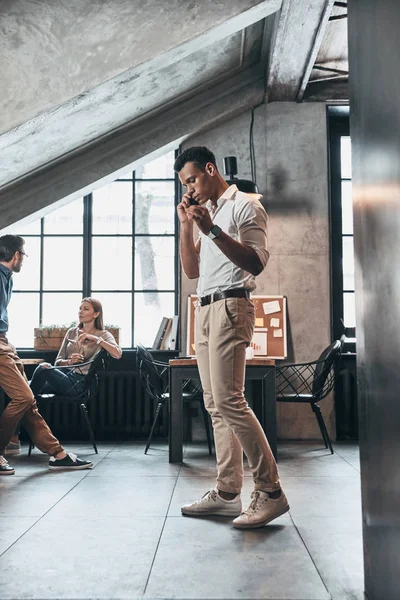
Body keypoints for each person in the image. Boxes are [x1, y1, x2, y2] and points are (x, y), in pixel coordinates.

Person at [174, 146, 289, 529]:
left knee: (230, 400)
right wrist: (188, 225)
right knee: (214, 404)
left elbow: (256, 261)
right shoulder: (208, 214)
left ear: (210, 169)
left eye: (192, 179)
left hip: (231, 306)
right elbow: (191, 272)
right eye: (184, 184)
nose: (189, 188)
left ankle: (270, 492)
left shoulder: (244, 206)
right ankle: (227, 492)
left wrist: (211, 229)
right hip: (203, 309)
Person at [0, 235, 92, 475]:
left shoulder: (6, 277)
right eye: (24, 255)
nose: (24, 260)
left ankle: (57, 454)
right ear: (17, 255)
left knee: (28, 400)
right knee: (23, 397)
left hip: (5, 342)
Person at [30, 297, 122, 397]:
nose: (80, 312)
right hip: (62, 376)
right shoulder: (72, 332)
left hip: (78, 384)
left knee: (43, 367)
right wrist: (70, 362)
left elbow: (117, 354)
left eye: (85, 309)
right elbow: (58, 361)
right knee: (24, 385)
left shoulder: (104, 335)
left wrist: (96, 339)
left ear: (96, 314)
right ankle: (28, 409)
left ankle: (25, 408)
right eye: (80, 308)